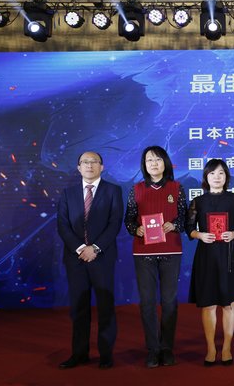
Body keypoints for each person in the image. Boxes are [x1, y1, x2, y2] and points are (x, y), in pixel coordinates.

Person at [57, 151, 123, 369]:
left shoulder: (113, 191)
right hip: (75, 259)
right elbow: (62, 225)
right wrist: (80, 249)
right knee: (79, 308)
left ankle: (106, 355)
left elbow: (114, 223)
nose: (89, 165)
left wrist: (94, 248)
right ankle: (79, 353)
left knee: (105, 307)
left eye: (94, 162)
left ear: (101, 167)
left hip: (101, 257)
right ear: (78, 167)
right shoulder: (68, 193)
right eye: (85, 162)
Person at [124, 146, 187, 368]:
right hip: (144, 253)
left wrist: (174, 225)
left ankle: (167, 348)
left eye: (158, 159)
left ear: (165, 163)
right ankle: (153, 349)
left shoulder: (177, 188)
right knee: (147, 302)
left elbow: (185, 219)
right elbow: (129, 219)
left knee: (169, 302)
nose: (153, 163)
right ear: (144, 165)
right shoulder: (136, 189)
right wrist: (136, 229)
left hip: (171, 251)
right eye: (149, 160)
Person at [186, 159, 234, 366]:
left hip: (229, 255)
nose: (217, 177)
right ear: (206, 177)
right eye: (212, 173)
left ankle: (227, 347)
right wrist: (199, 235)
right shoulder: (198, 201)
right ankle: (211, 348)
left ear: (226, 177)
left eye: (221, 173)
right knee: (208, 304)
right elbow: (188, 228)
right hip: (206, 255)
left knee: (228, 303)